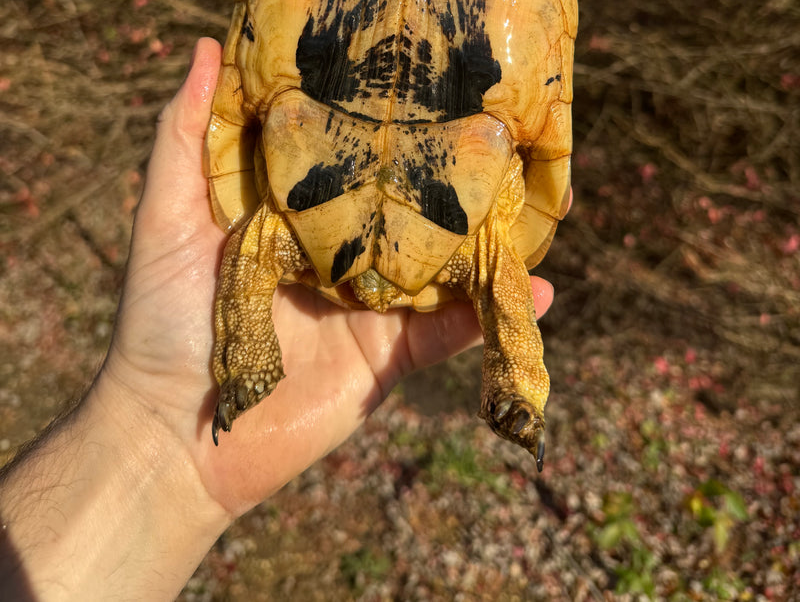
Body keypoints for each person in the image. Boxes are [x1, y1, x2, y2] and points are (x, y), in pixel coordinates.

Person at [0, 39, 553, 601]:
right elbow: (500, 276)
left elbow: (252, 249)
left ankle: (248, 365)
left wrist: (166, 414)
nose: (371, 290)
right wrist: (516, 381)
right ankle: (517, 388)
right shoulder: (479, 248)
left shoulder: (279, 233)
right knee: (508, 294)